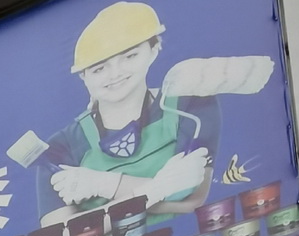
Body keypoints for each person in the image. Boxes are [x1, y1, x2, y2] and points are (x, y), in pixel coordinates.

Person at [35, 1, 222, 221]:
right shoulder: (61, 148)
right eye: (99, 68)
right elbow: (60, 234)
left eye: (130, 56)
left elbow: (192, 199)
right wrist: (157, 189)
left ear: (154, 49)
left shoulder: (190, 106)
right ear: (83, 76)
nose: (115, 74)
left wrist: (105, 184)